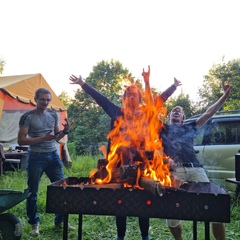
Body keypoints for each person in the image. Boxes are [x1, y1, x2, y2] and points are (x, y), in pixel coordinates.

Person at [69, 67, 181, 240]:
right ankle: (120, 236)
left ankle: (145, 235)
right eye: (127, 94)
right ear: (124, 98)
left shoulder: (145, 112)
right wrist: (83, 84)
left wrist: (172, 86)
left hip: (143, 163)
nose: (130, 97)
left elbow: (160, 100)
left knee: (143, 199)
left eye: (133, 94)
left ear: (139, 97)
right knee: (120, 200)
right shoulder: (117, 112)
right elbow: (101, 99)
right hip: (120, 164)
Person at [160, 79, 232, 240]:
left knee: (215, 208)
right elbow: (152, 109)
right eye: (174, 110)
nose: (176, 111)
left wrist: (225, 96)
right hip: (174, 172)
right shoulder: (162, 129)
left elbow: (208, 113)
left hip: (195, 169)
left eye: (180, 110)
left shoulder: (189, 127)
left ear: (184, 118)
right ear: (169, 116)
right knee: (171, 215)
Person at [17, 88, 75, 235]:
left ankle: (60, 221)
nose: (45, 102)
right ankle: (34, 224)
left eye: (48, 100)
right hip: (36, 157)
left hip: (53, 156)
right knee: (33, 192)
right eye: (42, 99)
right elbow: (21, 140)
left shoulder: (53, 115)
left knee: (62, 188)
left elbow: (56, 137)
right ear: (36, 99)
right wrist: (42, 138)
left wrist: (65, 131)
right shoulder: (27, 117)